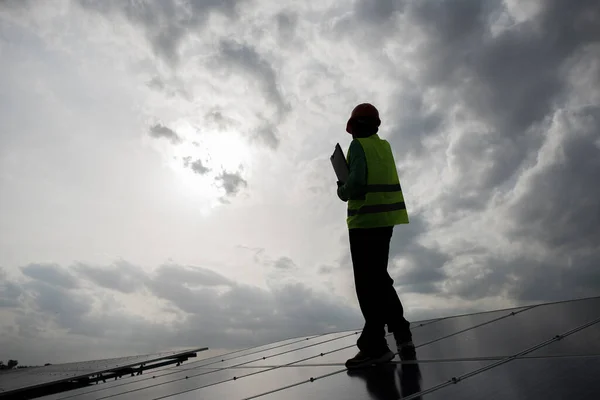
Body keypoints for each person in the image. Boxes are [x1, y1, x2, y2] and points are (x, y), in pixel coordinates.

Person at [336, 103, 416, 369]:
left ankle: (375, 346)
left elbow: (356, 185)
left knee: (368, 286)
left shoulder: (358, 146)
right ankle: (402, 335)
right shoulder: (384, 147)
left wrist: (342, 189)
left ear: (355, 126)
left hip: (364, 223)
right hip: (385, 221)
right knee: (380, 281)